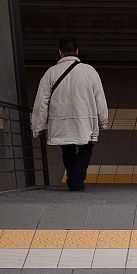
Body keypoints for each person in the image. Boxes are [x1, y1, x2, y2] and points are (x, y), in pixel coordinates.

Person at [32, 37, 108, 191]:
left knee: (67, 149)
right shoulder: (89, 71)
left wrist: (37, 127)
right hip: (84, 119)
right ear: (77, 51)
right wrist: (103, 121)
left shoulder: (50, 73)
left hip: (60, 120)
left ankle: (73, 179)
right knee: (86, 148)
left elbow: (41, 102)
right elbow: (100, 98)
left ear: (60, 53)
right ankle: (75, 180)